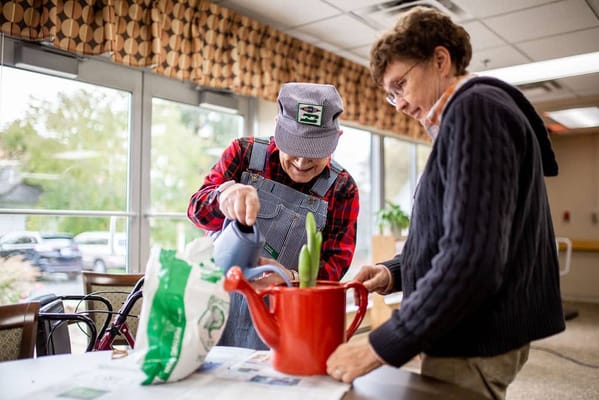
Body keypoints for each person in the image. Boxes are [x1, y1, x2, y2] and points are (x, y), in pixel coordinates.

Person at [326, 6, 565, 399]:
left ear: (440, 60)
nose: (399, 104)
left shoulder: (475, 110)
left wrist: (378, 345)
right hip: (470, 324)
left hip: (474, 332)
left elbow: (472, 258)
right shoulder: (470, 117)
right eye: (390, 95)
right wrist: (394, 273)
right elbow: (457, 234)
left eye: (400, 85)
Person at [188, 82, 360, 350]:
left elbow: (336, 265)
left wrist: (292, 276)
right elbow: (196, 212)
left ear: (335, 141)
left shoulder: (342, 188)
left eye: (314, 152)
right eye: (294, 147)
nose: (302, 163)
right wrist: (222, 197)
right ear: (278, 129)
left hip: (287, 317)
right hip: (216, 307)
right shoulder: (243, 154)